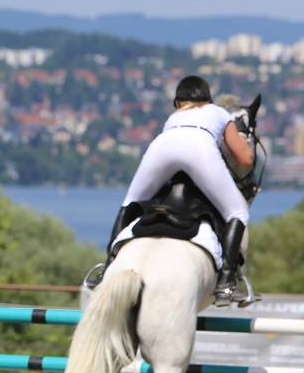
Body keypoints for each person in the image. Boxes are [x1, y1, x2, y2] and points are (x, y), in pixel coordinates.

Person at [102, 75, 254, 305]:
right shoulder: (220, 113)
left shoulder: (174, 117)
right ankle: (226, 283)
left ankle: (108, 267)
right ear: (209, 99)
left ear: (177, 103)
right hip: (199, 146)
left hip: (161, 146)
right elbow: (244, 160)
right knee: (238, 212)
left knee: (131, 202)